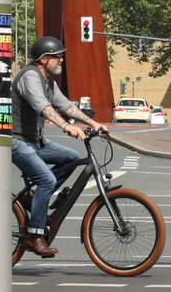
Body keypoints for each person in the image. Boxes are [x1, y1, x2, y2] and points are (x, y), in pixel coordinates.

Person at [10, 37, 106, 258]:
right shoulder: (30, 77)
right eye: (57, 56)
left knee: (71, 157)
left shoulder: (48, 81)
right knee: (47, 180)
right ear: (44, 59)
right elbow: (41, 106)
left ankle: (35, 198)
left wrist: (93, 123)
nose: (61, 59)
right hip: (16, 141)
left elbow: (64, 105)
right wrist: (65, 126)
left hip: (35, 141)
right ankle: (35, 236)